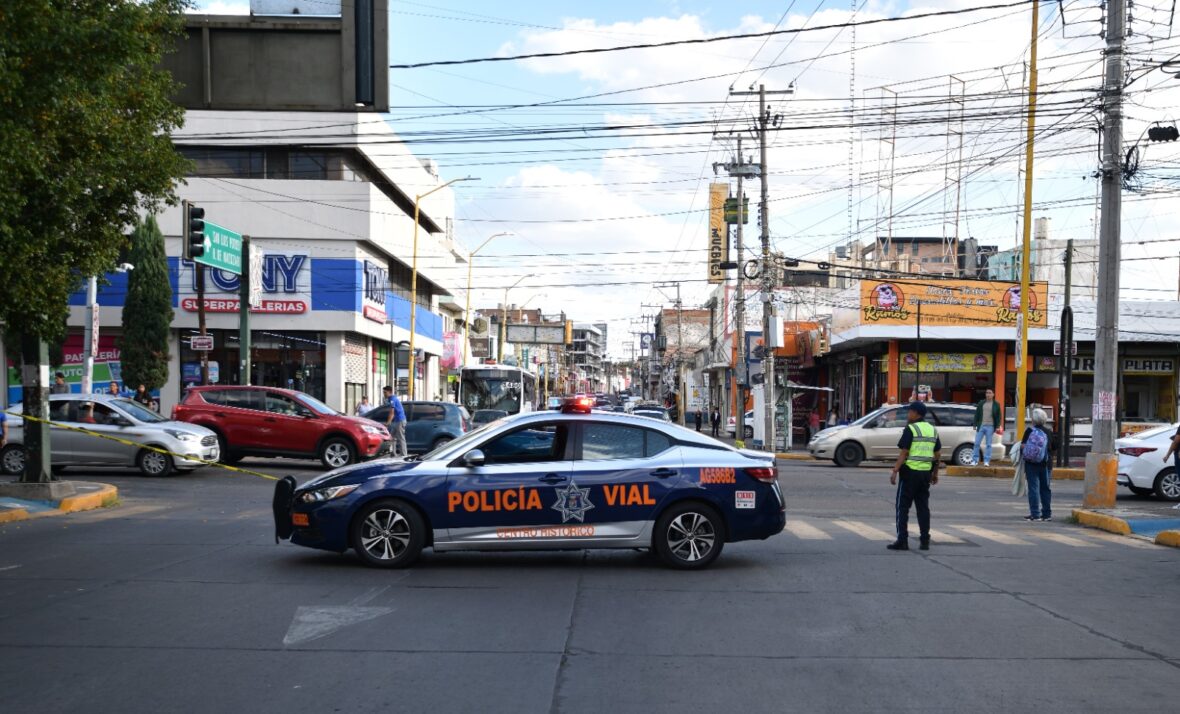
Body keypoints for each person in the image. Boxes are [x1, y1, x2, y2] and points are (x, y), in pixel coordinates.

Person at [887, 401, 941, 551]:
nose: (907, 414)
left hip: (910, 474)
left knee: (902, 507)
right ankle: (925, 541)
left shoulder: (911, 428)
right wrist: (935, 473)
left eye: (909, 411)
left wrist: (895, 471)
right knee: (923, 508)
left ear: (916, 413)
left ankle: (902, 540)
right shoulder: (932, 429)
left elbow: (904, 452)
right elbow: (937, 454)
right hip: (925, 474)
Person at [1020, 408, 1056, 522]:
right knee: (1045, 489)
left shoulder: (1029, 431)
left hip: (1031, 464)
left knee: (1033, 488)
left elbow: (1023, 447)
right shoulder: (1049, 431)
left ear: (1033, 420)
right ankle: (1047, 514)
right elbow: (1055, 447)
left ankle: (1035, 514)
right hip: (1046, 464)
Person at [971, 388, 1001, 466]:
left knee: (988, 444)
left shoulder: (996, 404)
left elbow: (998, 416)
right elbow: (977, 414)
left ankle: (986, 461)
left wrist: (997, 426)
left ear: (993, 394)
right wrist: (974, 424)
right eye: (987, 393)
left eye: (990, 393)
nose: (988, 394)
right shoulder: (981, 403)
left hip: (990, 427)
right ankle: (975, 460)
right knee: (976, 443)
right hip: (981, 426)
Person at [382, 385, 407, 458]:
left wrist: (388, 423)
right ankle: (393, 454)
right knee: (392, 437)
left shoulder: (393, 399)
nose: (384, 394)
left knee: (401, 438)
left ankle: (404, 456)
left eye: (385, 392)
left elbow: (391, 412)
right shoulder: (391, 399)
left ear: (389, 392)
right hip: (397, 421)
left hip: (400, 420)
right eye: (383, 392)